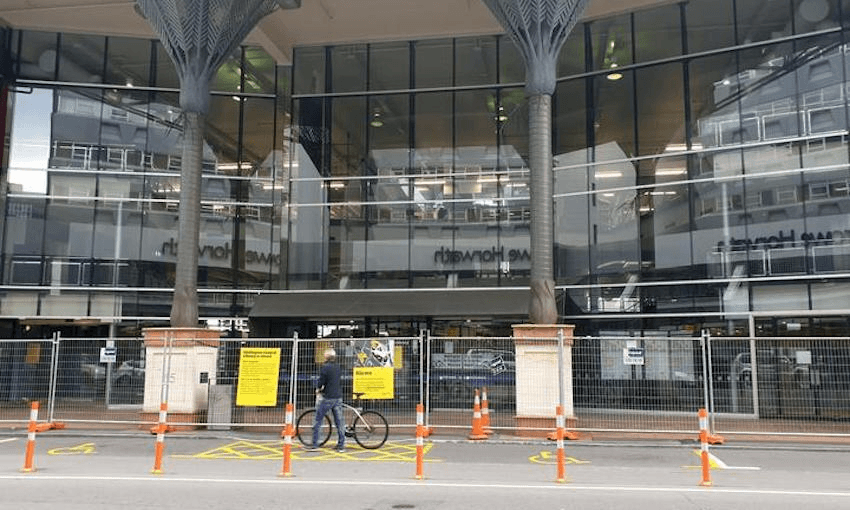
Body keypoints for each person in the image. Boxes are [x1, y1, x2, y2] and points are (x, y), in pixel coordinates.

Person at [309, 348, 345, 452]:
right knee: (339, 422)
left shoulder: (325, 368)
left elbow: (321, 381)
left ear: (326, 357)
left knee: (318, 420)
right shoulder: (338, 367)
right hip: (338, 397)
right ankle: (341, 445)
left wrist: (318, 389)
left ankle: (315, 444)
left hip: (327, 397)